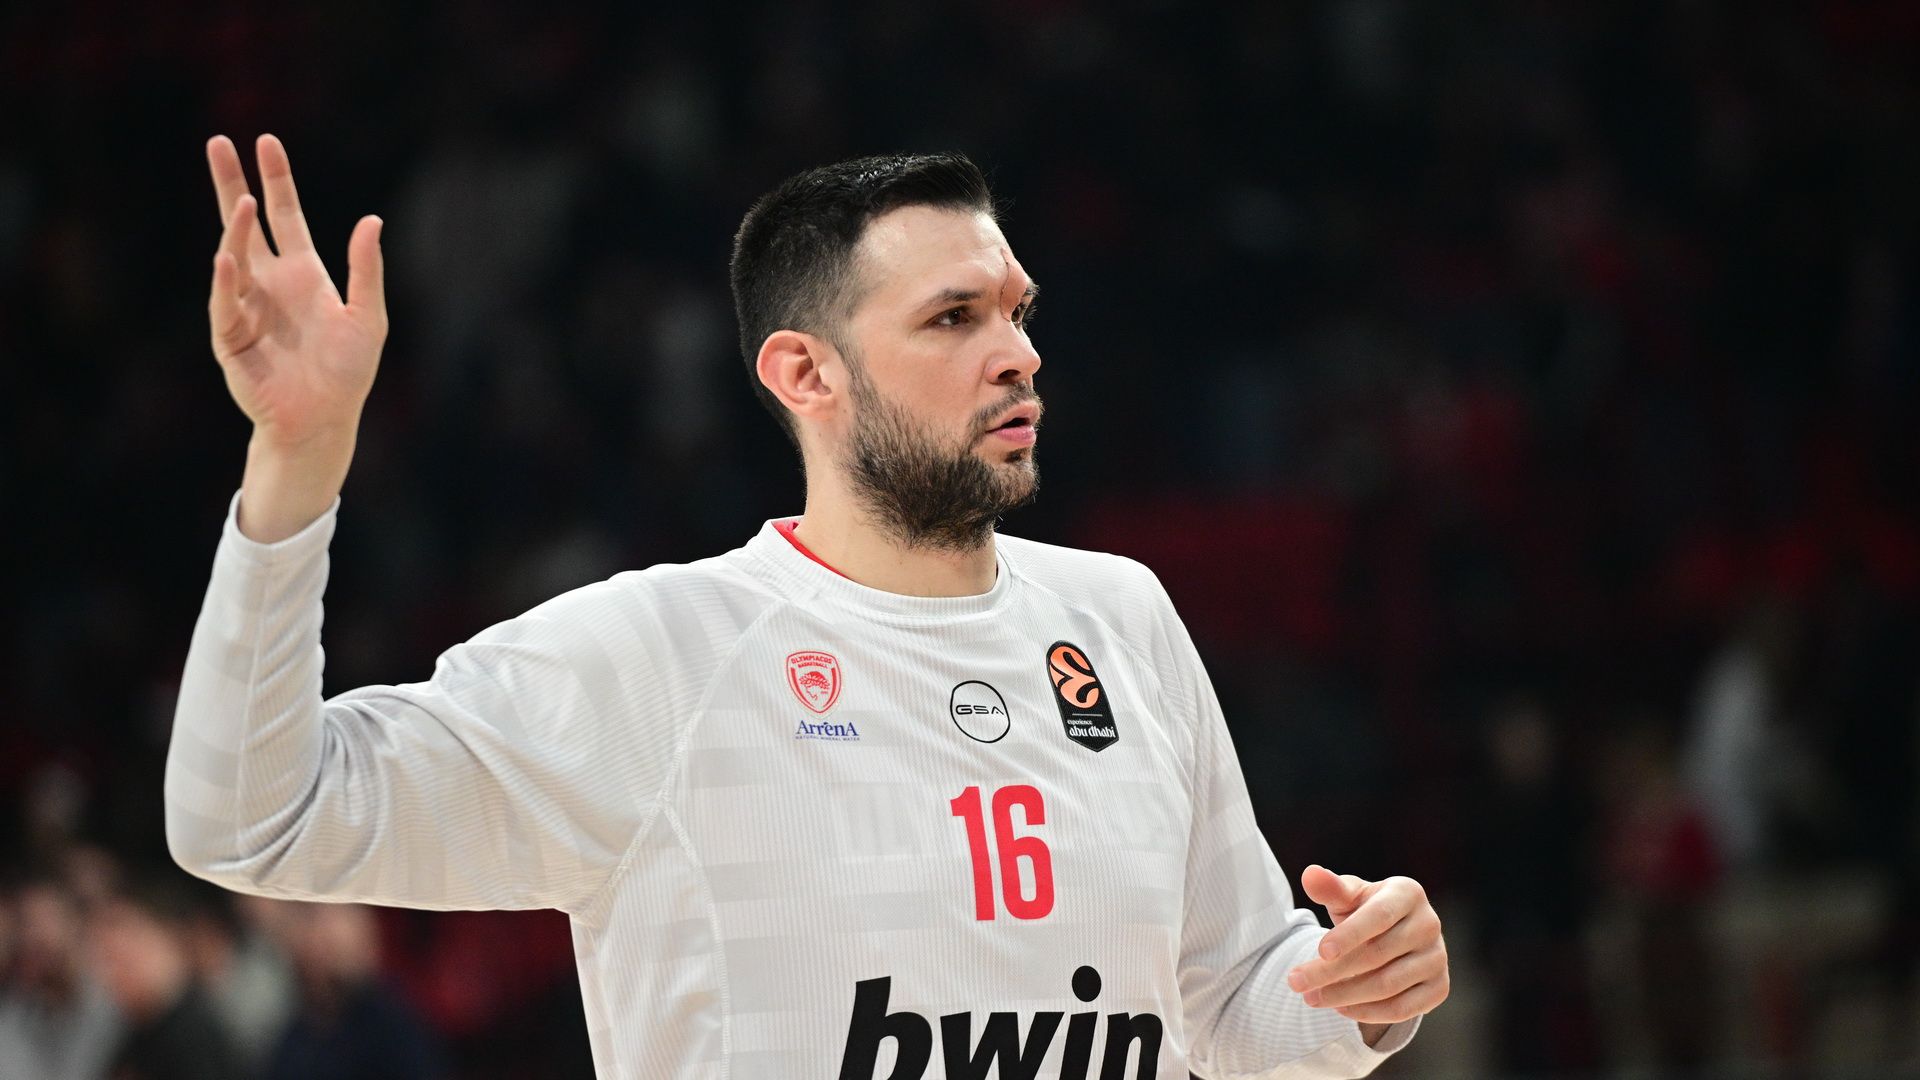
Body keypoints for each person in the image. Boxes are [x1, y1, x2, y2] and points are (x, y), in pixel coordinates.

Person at [166, 133, 1449, 1078]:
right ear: (805, 374)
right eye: (954, 318)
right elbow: (254, 818)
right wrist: (298, 463)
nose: (1018, 353)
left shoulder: (1122, 619)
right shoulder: (659, 657)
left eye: (1016, 311)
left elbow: (1226, 1010)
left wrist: (1361, 989)